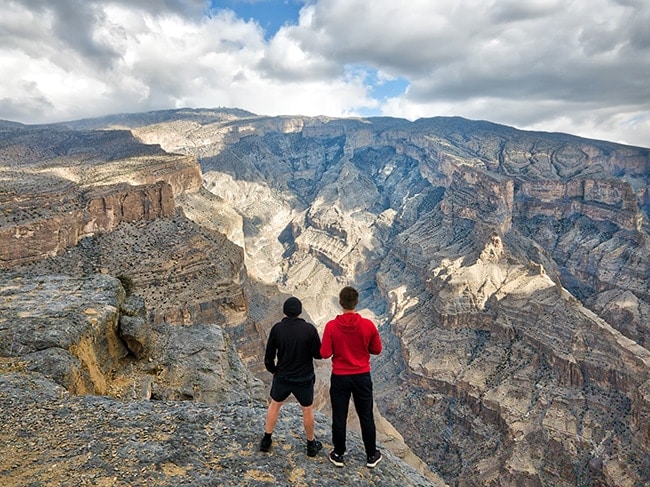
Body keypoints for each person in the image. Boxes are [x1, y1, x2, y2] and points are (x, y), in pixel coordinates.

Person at [320, 286, 383, 469]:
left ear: (340, 303)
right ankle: (371, 455)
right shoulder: (368, 325)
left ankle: (338, 454)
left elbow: (324, 353)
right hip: (362, 376)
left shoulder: (331, 326)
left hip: (340, 377)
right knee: (366, 416)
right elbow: (377, 350)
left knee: (339, 416)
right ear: (356, 303)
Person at [260, 296, 323, 457]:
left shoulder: (277, 329)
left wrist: (273, 370)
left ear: (285, 312)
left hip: (283, 376)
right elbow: (318, 355)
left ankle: (266, 440)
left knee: (275, 405)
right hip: (304, 378)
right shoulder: (309, 329)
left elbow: (269, 356)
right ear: (300, 312)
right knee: (307, 410)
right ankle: (311, 444)